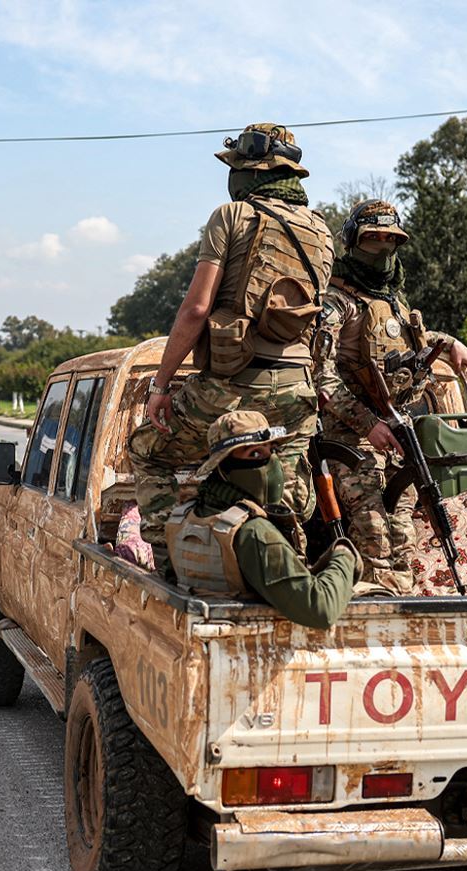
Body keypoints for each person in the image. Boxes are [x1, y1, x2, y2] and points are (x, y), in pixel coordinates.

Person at [129, 122, 335, 571]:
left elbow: (196, 310)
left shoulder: (232, 216)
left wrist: (160, 386)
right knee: (284, 485)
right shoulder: (322, 231)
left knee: (149, 453)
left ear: (249, 172)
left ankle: (173, 567)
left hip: (232, 385)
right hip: (297, 392)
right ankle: (285, 570)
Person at [315, 200, 467, 593]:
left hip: (397, 437)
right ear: (352, 243)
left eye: (391, 241)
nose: (383, 250)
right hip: (350, 439)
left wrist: (451, 343)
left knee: (404, 534)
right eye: (372, 240)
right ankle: (372, 611)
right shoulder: (336, 303)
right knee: (372, 535)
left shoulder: (393, 300)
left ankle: (402, 609)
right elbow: (320, 376)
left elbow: (410, 347)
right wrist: (367, 424)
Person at [166, 411, 359, 629]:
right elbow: (320, 610)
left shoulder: (184, 517)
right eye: (254, 454)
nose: (271, 463)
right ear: (224, 466)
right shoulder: (254, 532)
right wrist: (344, 555)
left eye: (272, 450)